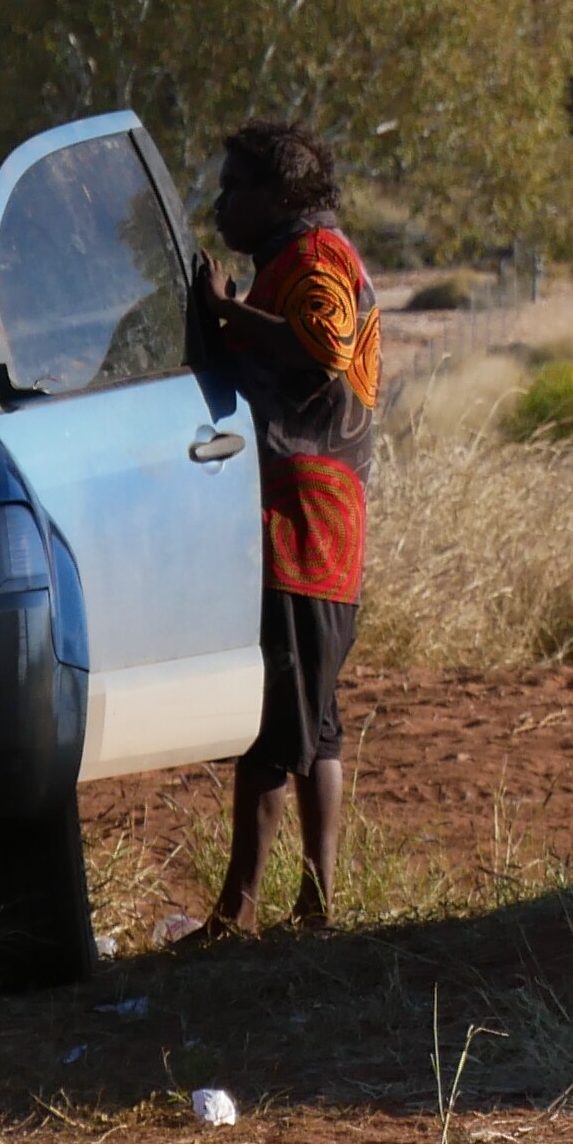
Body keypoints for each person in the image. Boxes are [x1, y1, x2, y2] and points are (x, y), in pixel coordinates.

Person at [181, 119, 382, 935]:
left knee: (272, 729)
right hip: (321, 523)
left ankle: (240, 912)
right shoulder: (302, 256)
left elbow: (323, 350)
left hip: (303, 522)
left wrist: (224, 311)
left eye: (236, 188)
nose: (223, 203)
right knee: (315, 726)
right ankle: (315, 906)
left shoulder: (315, 257)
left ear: (279, 193)